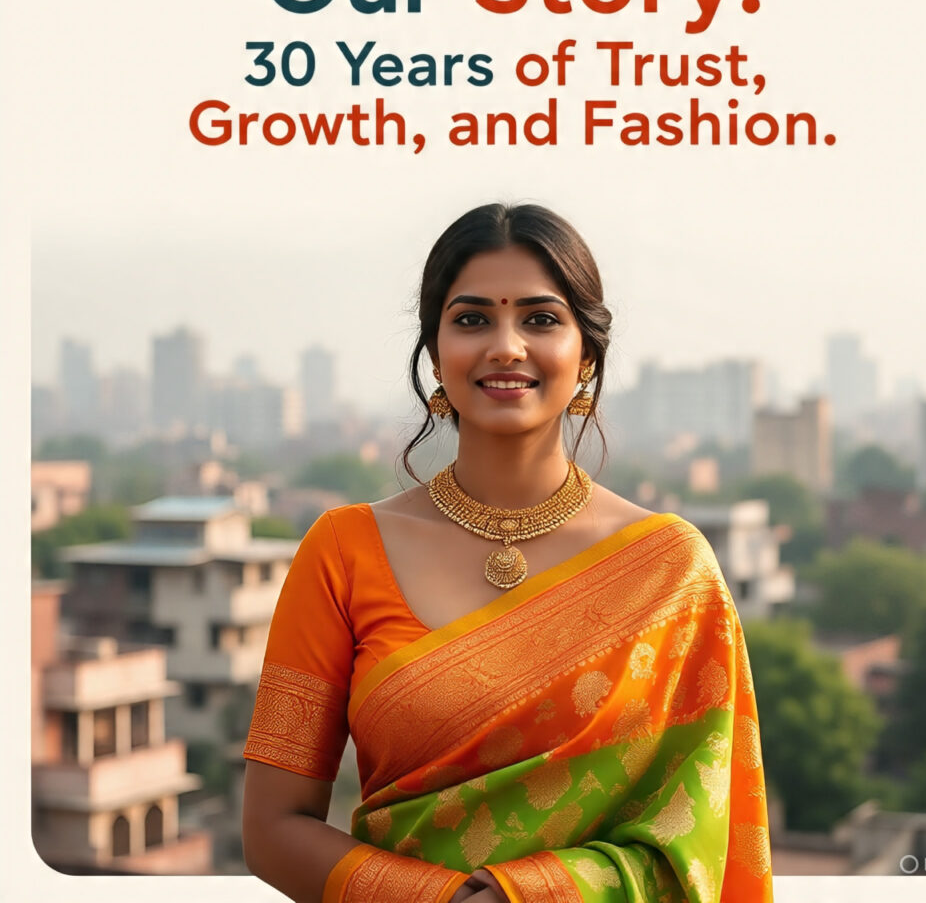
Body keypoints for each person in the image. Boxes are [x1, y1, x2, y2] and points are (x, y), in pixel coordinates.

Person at [242, 203, 773, 903]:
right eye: (471, 320)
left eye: (540, 318)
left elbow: (708, 832)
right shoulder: (342, 552)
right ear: (435, 354)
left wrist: (542, 893)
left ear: (587, 355)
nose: (506, 346)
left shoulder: (672, 571)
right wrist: (443, 901)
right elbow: (273, 827)